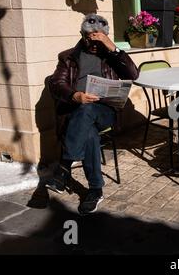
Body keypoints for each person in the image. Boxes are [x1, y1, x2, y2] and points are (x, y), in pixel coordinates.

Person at [46, 13, 139, 215]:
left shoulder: (111, 56)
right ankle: (95, 190)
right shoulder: (68, 57)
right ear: (82, 34)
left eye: (99, 37)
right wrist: (75, 95)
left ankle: (64, 167)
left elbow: (133, 74)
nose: (94, 43)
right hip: (77, 111)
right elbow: (56, 84)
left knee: (87, 113)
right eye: (90, 37)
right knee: (88, 131)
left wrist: (112, 46)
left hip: (105, 111)